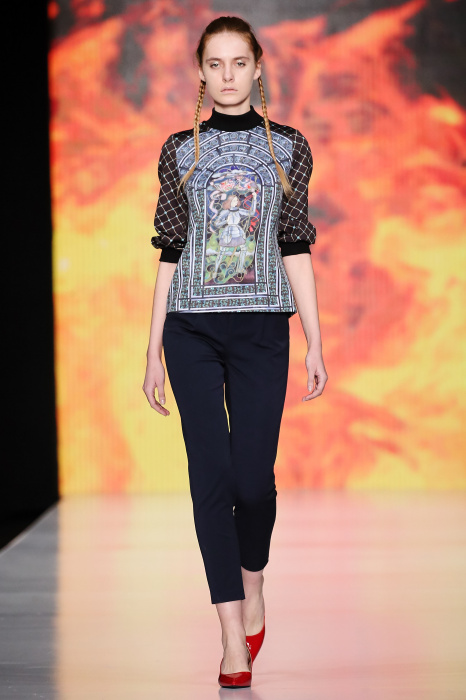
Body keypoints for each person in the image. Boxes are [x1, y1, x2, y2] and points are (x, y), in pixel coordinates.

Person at [143, 15, 328, 689]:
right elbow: (169, 253)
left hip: (260, 331)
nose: (227, 75)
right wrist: (152, 348)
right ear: (200, 71)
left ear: (258, 67)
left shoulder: (287, 148)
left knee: (252, 483)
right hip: (191, 330)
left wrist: (315, 338)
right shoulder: (178, 152)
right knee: (211, 478)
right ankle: (229, 633)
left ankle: (253, 582)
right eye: (215, 64)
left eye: (238, 62)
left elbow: (295, 244)